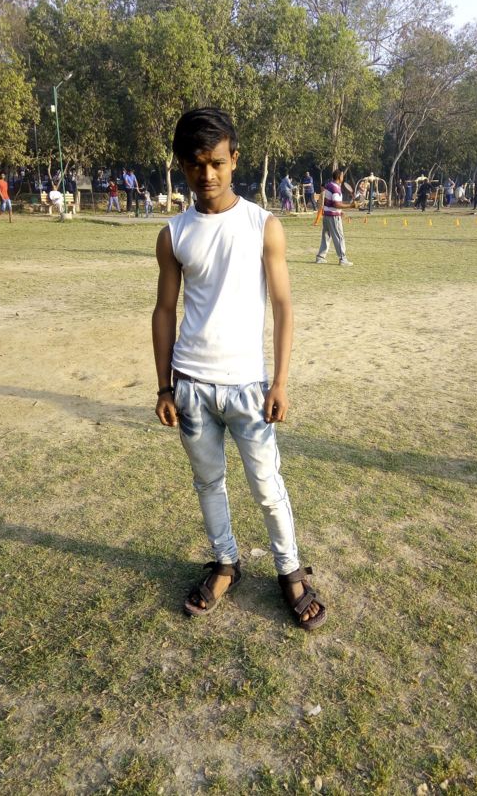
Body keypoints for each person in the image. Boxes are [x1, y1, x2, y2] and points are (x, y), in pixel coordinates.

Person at [152, 107, 326, 630]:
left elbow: (283, 306)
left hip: (249, 387)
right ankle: (225, 562)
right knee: (208, 482)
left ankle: (290, 571)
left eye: (217, 162)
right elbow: (164, 311)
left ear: (235, 159)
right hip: (191, 385)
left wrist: (280, 382)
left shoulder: (262, 226)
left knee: (267, 485)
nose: (207, 174)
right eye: (195, 164)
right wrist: (164, 386)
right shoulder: (173, 234)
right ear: (182, 164)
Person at [315, 169, 355, 266]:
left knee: (326, 237)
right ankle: (343, 259)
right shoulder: (336, 188)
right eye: (342, 176)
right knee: (339, 237)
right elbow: (336, 204)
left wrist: (341, 211)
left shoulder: (329, 185)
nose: (343, 177)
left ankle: (320, 257)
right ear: (339, 177)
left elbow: (330, 202)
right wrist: (350, 206)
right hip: (333, 216)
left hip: (326, 215)